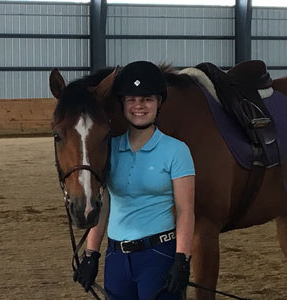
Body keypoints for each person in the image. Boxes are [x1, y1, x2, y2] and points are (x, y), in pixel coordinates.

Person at [74, 61, 196, 300]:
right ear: (122, 104)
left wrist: (182, 258)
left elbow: (185, 210)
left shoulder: (176, 151)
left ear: (158, 103)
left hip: (158, 256)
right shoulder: (110, 149)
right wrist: (91, 254)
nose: (139, 106)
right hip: (116, 258)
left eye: (147, 99)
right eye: (132, 99)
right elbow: (104, 204)